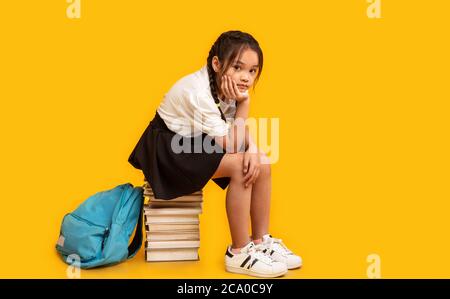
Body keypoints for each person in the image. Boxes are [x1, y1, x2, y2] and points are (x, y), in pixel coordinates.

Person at [128, 30, 302, 277]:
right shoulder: (197, 92)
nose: (246, 78)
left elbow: (234, 128)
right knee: (242, 165)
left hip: (195, 141)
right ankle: (238, 251)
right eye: (238, 67)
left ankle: (262, 241)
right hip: (168, 150)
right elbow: (232, 144)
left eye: (252, 71)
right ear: (217, 63)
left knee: (262, 162)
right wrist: (245, 104)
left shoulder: (224, 84)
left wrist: (253, 148)